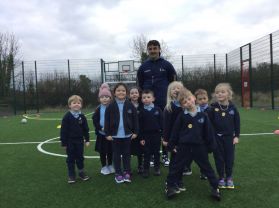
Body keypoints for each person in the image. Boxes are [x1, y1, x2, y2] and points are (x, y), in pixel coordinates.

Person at [165, 88, 221, 201]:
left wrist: (211, 146)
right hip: (184, 147)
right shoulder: (181, 116)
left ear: (194, 98)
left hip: (199, 147)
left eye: (189, 99)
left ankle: (215, 188)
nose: (188, 102)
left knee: (207, 167)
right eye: (184, 102)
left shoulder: (203, 115)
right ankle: (170, 186)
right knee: (176, 167)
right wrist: (171, 145)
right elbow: (175, 132)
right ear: (182, 105)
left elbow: (209, 133)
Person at [137, 39, 177, 166]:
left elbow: (174, 82)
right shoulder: (143, 67)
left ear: (159, 49)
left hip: (164, 103)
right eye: (150, 48)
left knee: (165, 129)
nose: (153, 51)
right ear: (148, 50)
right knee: (149, 130)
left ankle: (165, 155)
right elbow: (139, 85)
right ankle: (152, 156)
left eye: (155, 48)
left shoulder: (167, 65)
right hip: (148, 104)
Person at [104, 83, 139, 184]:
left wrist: (136, 132)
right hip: (115, 136)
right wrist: (107, 134)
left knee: (127, 154)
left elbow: (135, 119)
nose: (121, 92)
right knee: (116, 155)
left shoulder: (130, 105)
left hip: (127, 135)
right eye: (118, 90)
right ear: (114, 93)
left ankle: (127, 172)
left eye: (123, 90)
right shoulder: (111, 106)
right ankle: (118, 173)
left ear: (126, 93)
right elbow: (107, 121)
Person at [207, 83, 240, 189]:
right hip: (217, 138)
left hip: (229, 138)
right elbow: (209, 124)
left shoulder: (233, 108)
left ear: (228, 94)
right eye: (217, 92)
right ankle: (221, 177)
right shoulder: (213, 108)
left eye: (222, 92)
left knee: (229, 158)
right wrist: (212, 137)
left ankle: (229, 177)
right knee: (219, 158)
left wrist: (236, 136)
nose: (219, 94)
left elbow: (237, 123)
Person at [60, 95, 90, 184]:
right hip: (70, 142)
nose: (76, 104)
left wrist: (87, 140)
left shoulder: (82, 116)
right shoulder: (67, 117)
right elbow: (63, 131)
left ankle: (81, 172)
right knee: (71, 158)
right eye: (74, 103)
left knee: (80, 157)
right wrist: (64, 143)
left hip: (80, 141)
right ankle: (71, 175)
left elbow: (86, 129)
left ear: (81, 105)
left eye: (78, 103)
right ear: (70, 105)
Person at [184, 89, 211, 180]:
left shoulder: (210, 109)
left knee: (204, 156)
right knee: (189, 153)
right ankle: (187, 167)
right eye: (200, 99)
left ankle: (204, 172)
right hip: (194, 137)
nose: (203, 100)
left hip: (204, 138)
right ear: (195, 99)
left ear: (208, 98)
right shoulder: (193, 109)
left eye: (204, 98)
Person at [139, 89, 163, 178]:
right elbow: (140, 127)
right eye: (144, 97)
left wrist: (162, 135)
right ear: (141, 100)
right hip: (146, 136)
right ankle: (146, 169)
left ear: (153, 99)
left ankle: (157, 168)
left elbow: (162, 123)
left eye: (148, 97)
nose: (146, 99)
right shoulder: (141, 112)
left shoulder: (158, 110)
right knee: (146, 153)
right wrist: (141, 138)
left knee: (156, 152)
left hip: (156, 135)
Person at [92, 83, 114, 175]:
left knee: (110, 151)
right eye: (102, 97)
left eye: (106, 96)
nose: (104, 98)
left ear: (110, 98)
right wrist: (101, 127)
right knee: (102, 151)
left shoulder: (113, 107)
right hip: (101, 134)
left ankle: (110, 165)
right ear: (99, 99)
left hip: (111, 134)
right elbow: (95, 121)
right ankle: (104, 166)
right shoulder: (98, 109)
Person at [129, 86, 144, 174]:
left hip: (140, 131)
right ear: (129, 95)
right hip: (129, 132)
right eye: (132, 93)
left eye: (136, 92)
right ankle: (128, 167)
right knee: (128, 150)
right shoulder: (127, 105)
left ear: (139, 94)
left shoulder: (142, 105)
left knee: (140, 150)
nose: (134, 94)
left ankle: (140, 165)